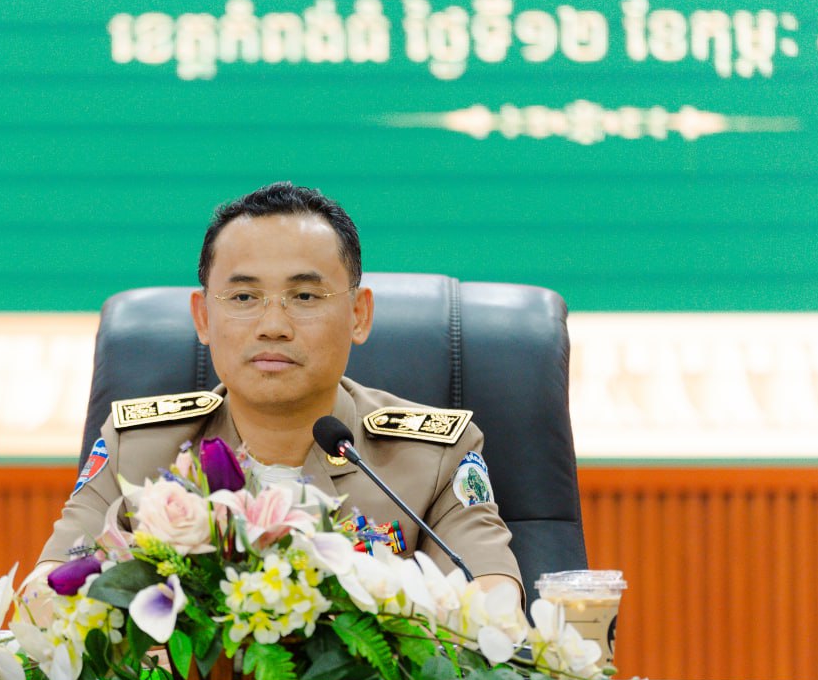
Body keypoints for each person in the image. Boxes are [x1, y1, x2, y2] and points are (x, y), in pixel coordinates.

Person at [38, 182, 521, 597]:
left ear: (359, 315)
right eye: (243, 297)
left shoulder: (431, 456)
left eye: (305, 296)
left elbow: (492, 597)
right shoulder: (137, 450)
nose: (273, 326)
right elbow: (49, 591)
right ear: (203, 317)